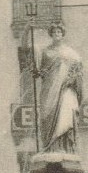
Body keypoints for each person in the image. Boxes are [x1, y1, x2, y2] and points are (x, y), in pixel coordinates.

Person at [34, 22, 82, 154]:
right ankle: (50, 147)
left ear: (63, 34)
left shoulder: (71, 53)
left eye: (59, 32)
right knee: (47, 117)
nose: (57, 34)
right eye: (55, 32)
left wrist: (72, 79)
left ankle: (65, 148)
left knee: (65, 116)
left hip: (66, 90)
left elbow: (78, 71)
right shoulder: (45, 52)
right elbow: (37, 69)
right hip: (49, 90)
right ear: (51, 34)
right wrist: (27, 28)